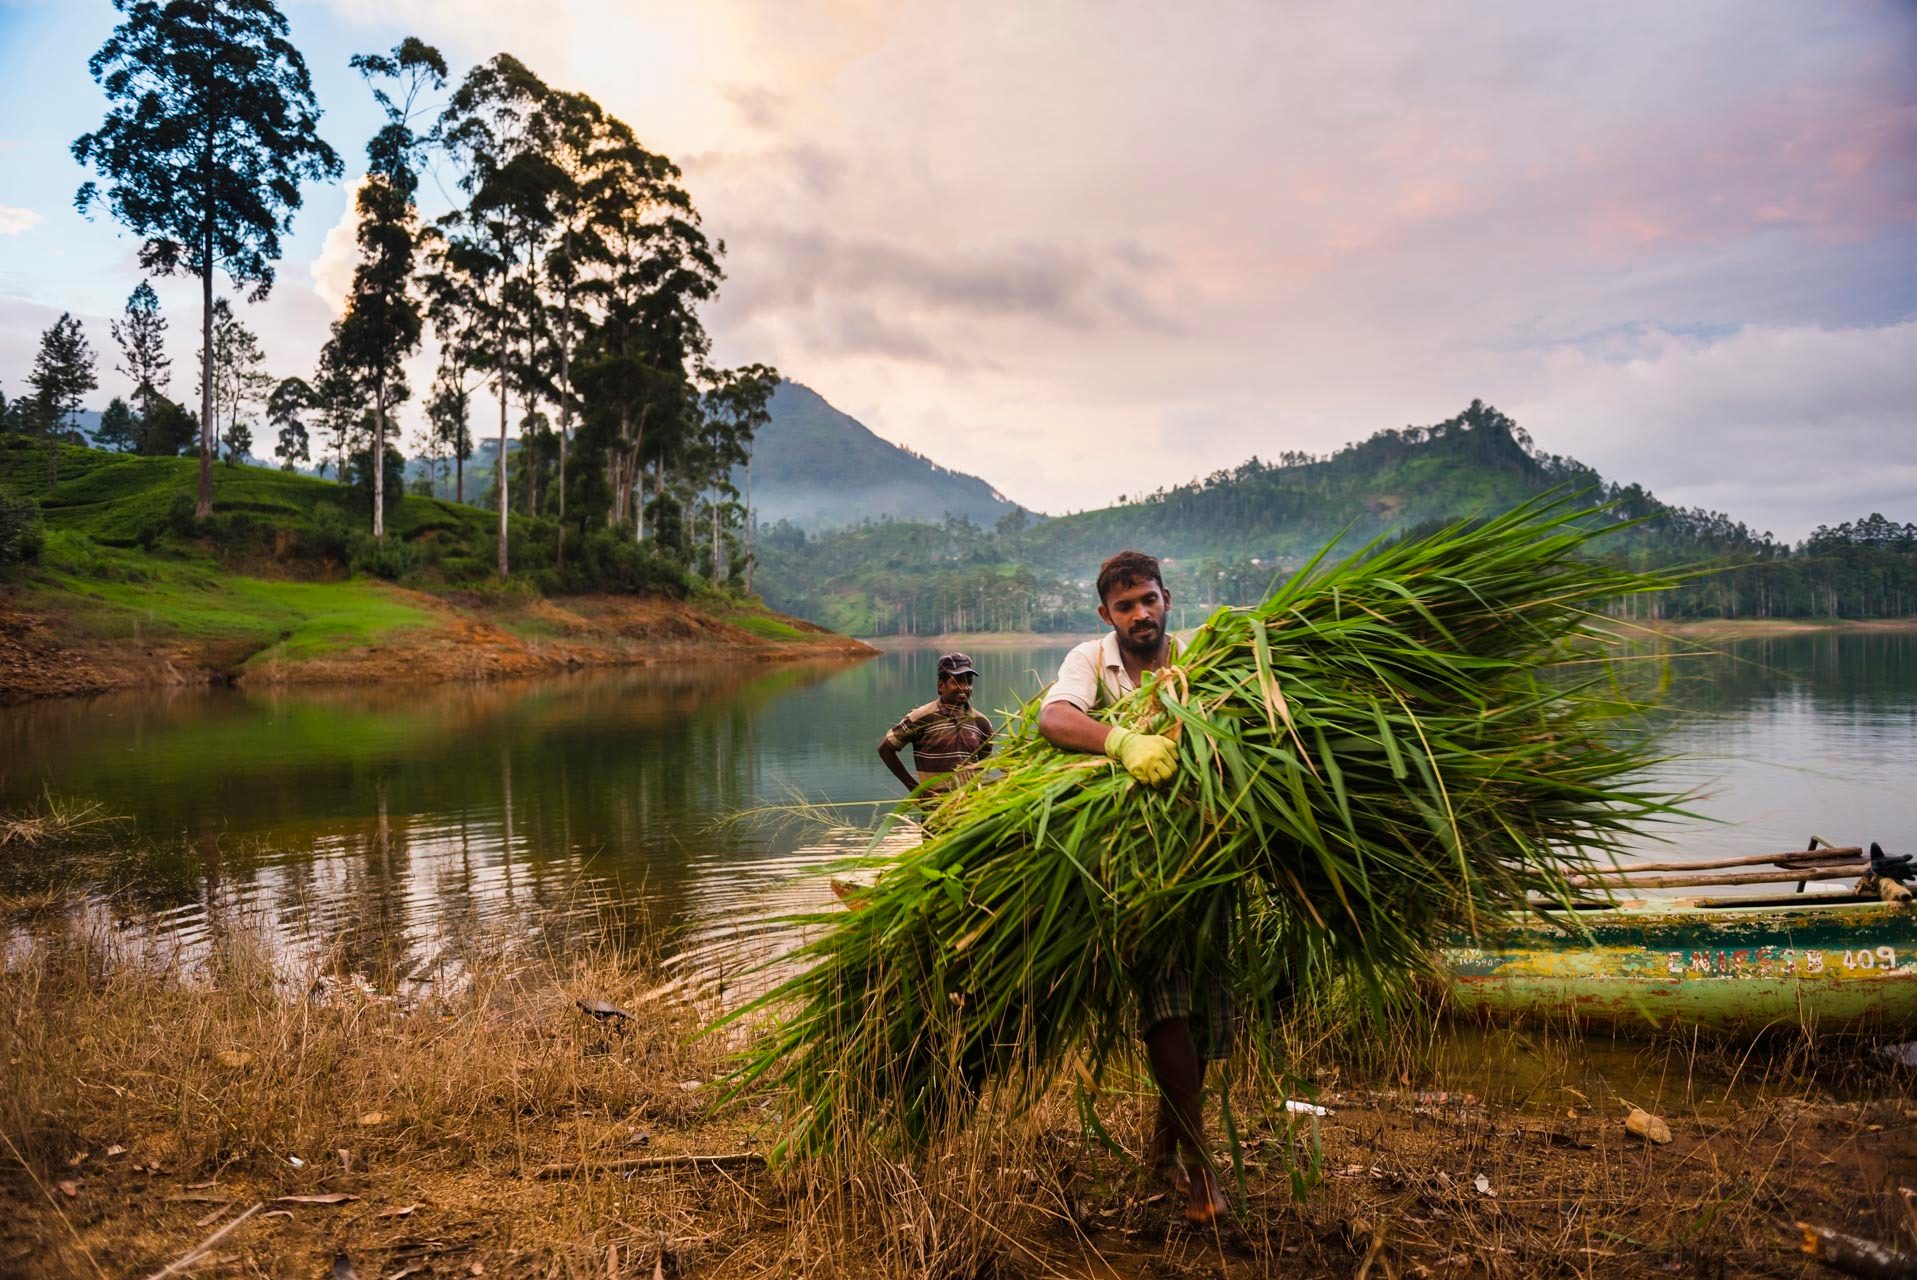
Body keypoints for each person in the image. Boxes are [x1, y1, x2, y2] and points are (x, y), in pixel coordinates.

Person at [1037, 549, 1232, 1226]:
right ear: (1106, 614)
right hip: (1135, 869)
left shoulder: (1200, 656)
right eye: (1125, 606)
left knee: (1203, 1018)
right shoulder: (1090, 660)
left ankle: (1160, 1151)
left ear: (1166, 598)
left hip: (1206, 856)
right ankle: (1202, 1172)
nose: (1139, 614)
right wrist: (1121, 742)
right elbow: (1054, 720)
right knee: (1166, 1008)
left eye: (1148, 599)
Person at [877, 652, 994, 795]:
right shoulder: (921, 717)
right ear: (941, 686)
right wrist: (916, 790)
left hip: (969, 809)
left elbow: (983, 766)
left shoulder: (981, 723)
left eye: (968, 682)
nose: (965, 687)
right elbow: (885, 749)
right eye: (956, 681)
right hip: (934, 809)